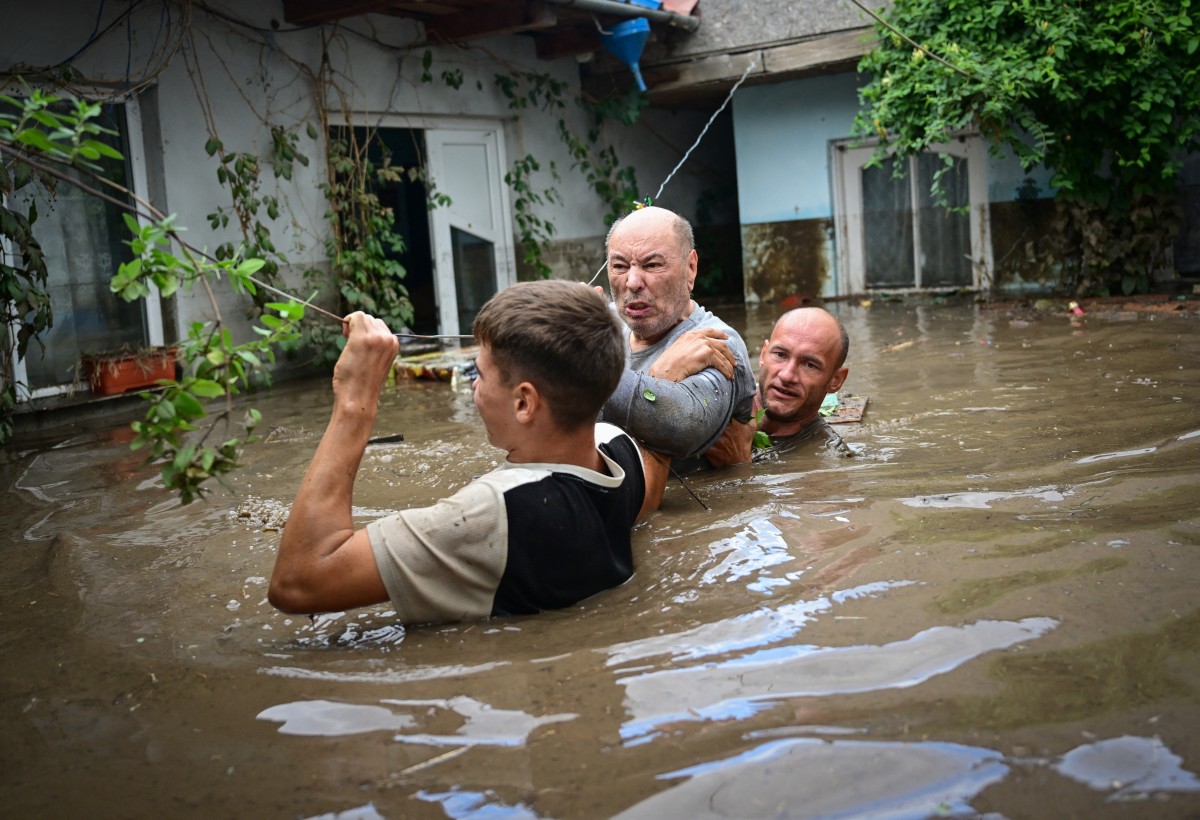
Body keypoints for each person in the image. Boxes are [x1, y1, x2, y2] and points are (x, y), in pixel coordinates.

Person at [268, 280, 669, 625]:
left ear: (524, 403)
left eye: (479, 373)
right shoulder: (620, 448)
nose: (474, 386)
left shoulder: (492, 510)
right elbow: (651, 488)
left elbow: (298, 582)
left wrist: (355, 402)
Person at [598, 205, 756, 471]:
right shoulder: (598, 325)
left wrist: (578, 366)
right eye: (620, 266)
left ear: (690, 268)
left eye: (653, 265)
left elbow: (683, 426)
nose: (633, 281)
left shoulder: (717, 341)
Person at [703, 306, 851, 466]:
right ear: (763, 354)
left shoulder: (830, 458)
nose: (787, 376)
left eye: (809, 365)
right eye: (780, 355)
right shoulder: (714, 400)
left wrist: (739, 464)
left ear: (836, 380)